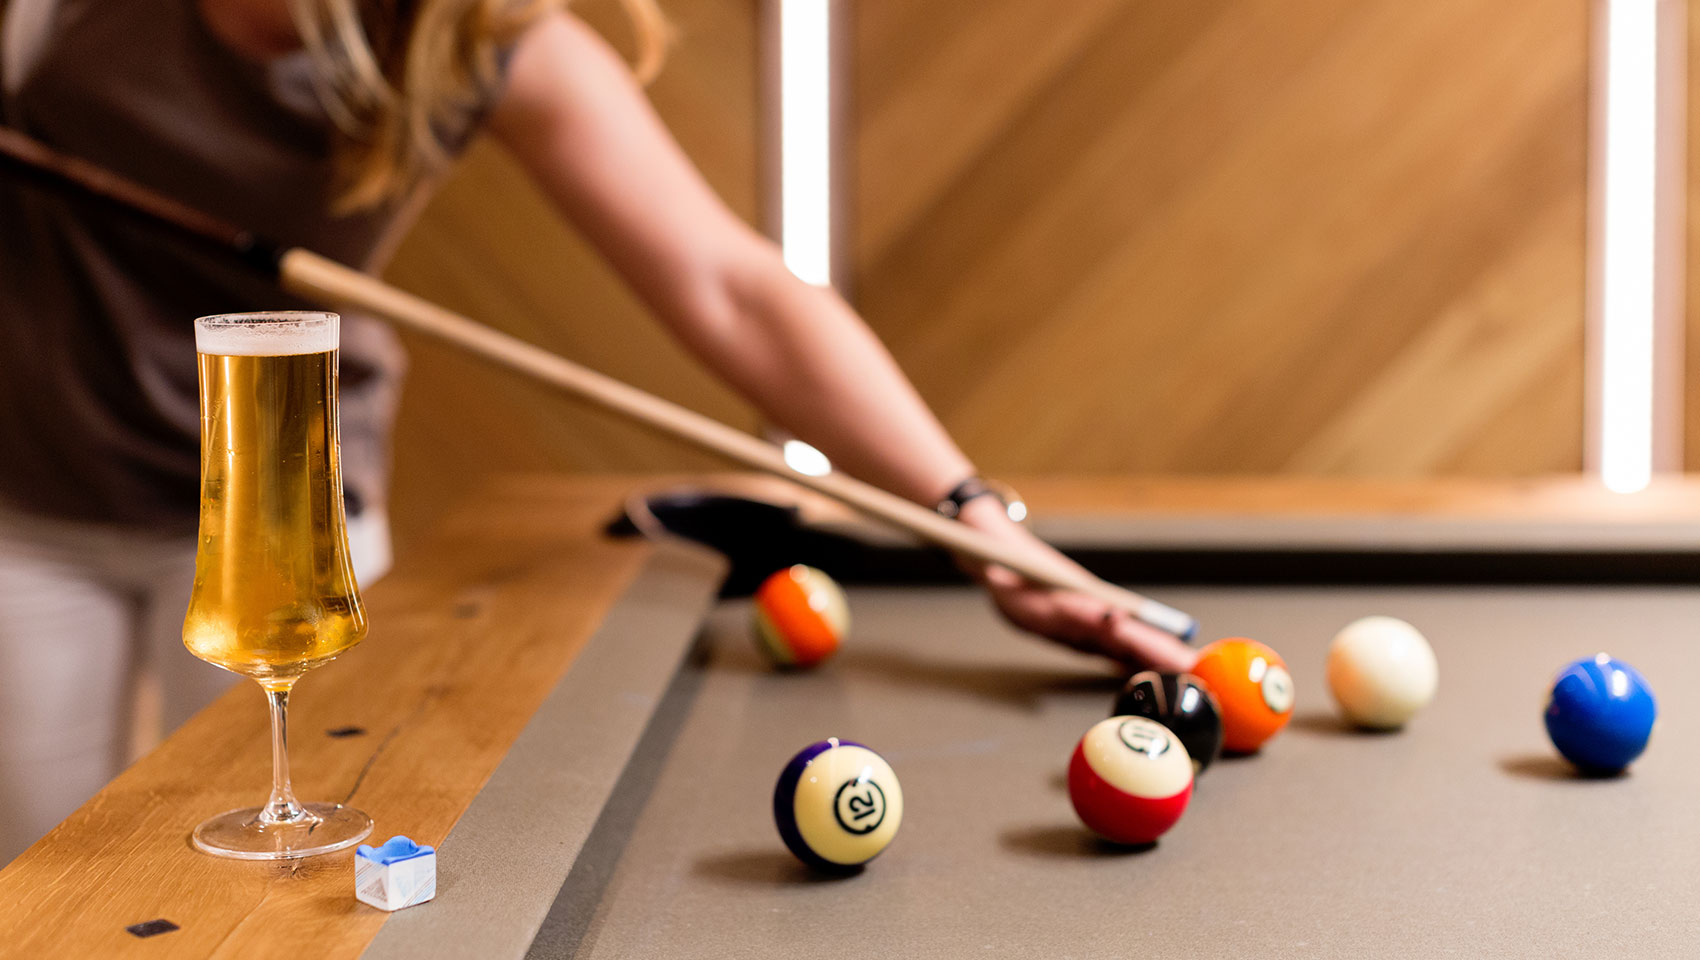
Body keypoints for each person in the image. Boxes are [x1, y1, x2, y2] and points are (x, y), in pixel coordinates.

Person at [0, 0, 1193, 860]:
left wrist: (971, 519)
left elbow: (737, 290)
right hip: (29, 508)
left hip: (288, 527)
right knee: (49, 868)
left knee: (266, 874)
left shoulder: (473, 32)